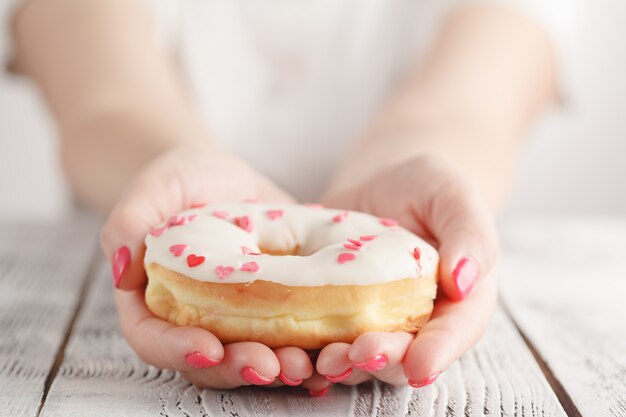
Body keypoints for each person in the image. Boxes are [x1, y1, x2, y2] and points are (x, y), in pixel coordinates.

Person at [5, 0, 563, 395]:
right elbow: (105, 100)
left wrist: (414, 172)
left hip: (394, 250)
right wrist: (166, 171)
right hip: (122, 271)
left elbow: (470, 104)